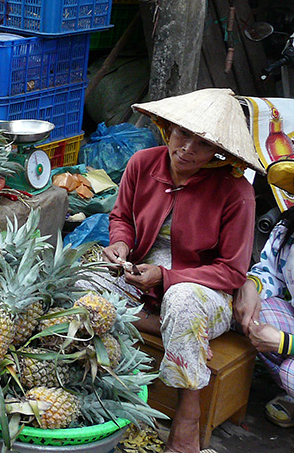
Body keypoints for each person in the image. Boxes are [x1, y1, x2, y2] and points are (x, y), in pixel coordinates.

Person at [103, 88, 261, 453]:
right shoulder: (143, 163)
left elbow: (232, 273)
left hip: (204, 291)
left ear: (218, 152)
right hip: (142, 279)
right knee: (84, 278)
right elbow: (121, 217)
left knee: (183, 300)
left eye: (204, 144)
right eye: (183, 134)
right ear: (167, 128)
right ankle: (168, 329)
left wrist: (167, 277)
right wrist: (120, 245)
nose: (189, 148)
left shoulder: (236, 192)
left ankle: (188, 415)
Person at [233, 158, 294, 427]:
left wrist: (285, 343)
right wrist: (250, 286)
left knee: (291, 373)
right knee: (256, 312)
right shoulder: (288, 230)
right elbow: (270, 270)